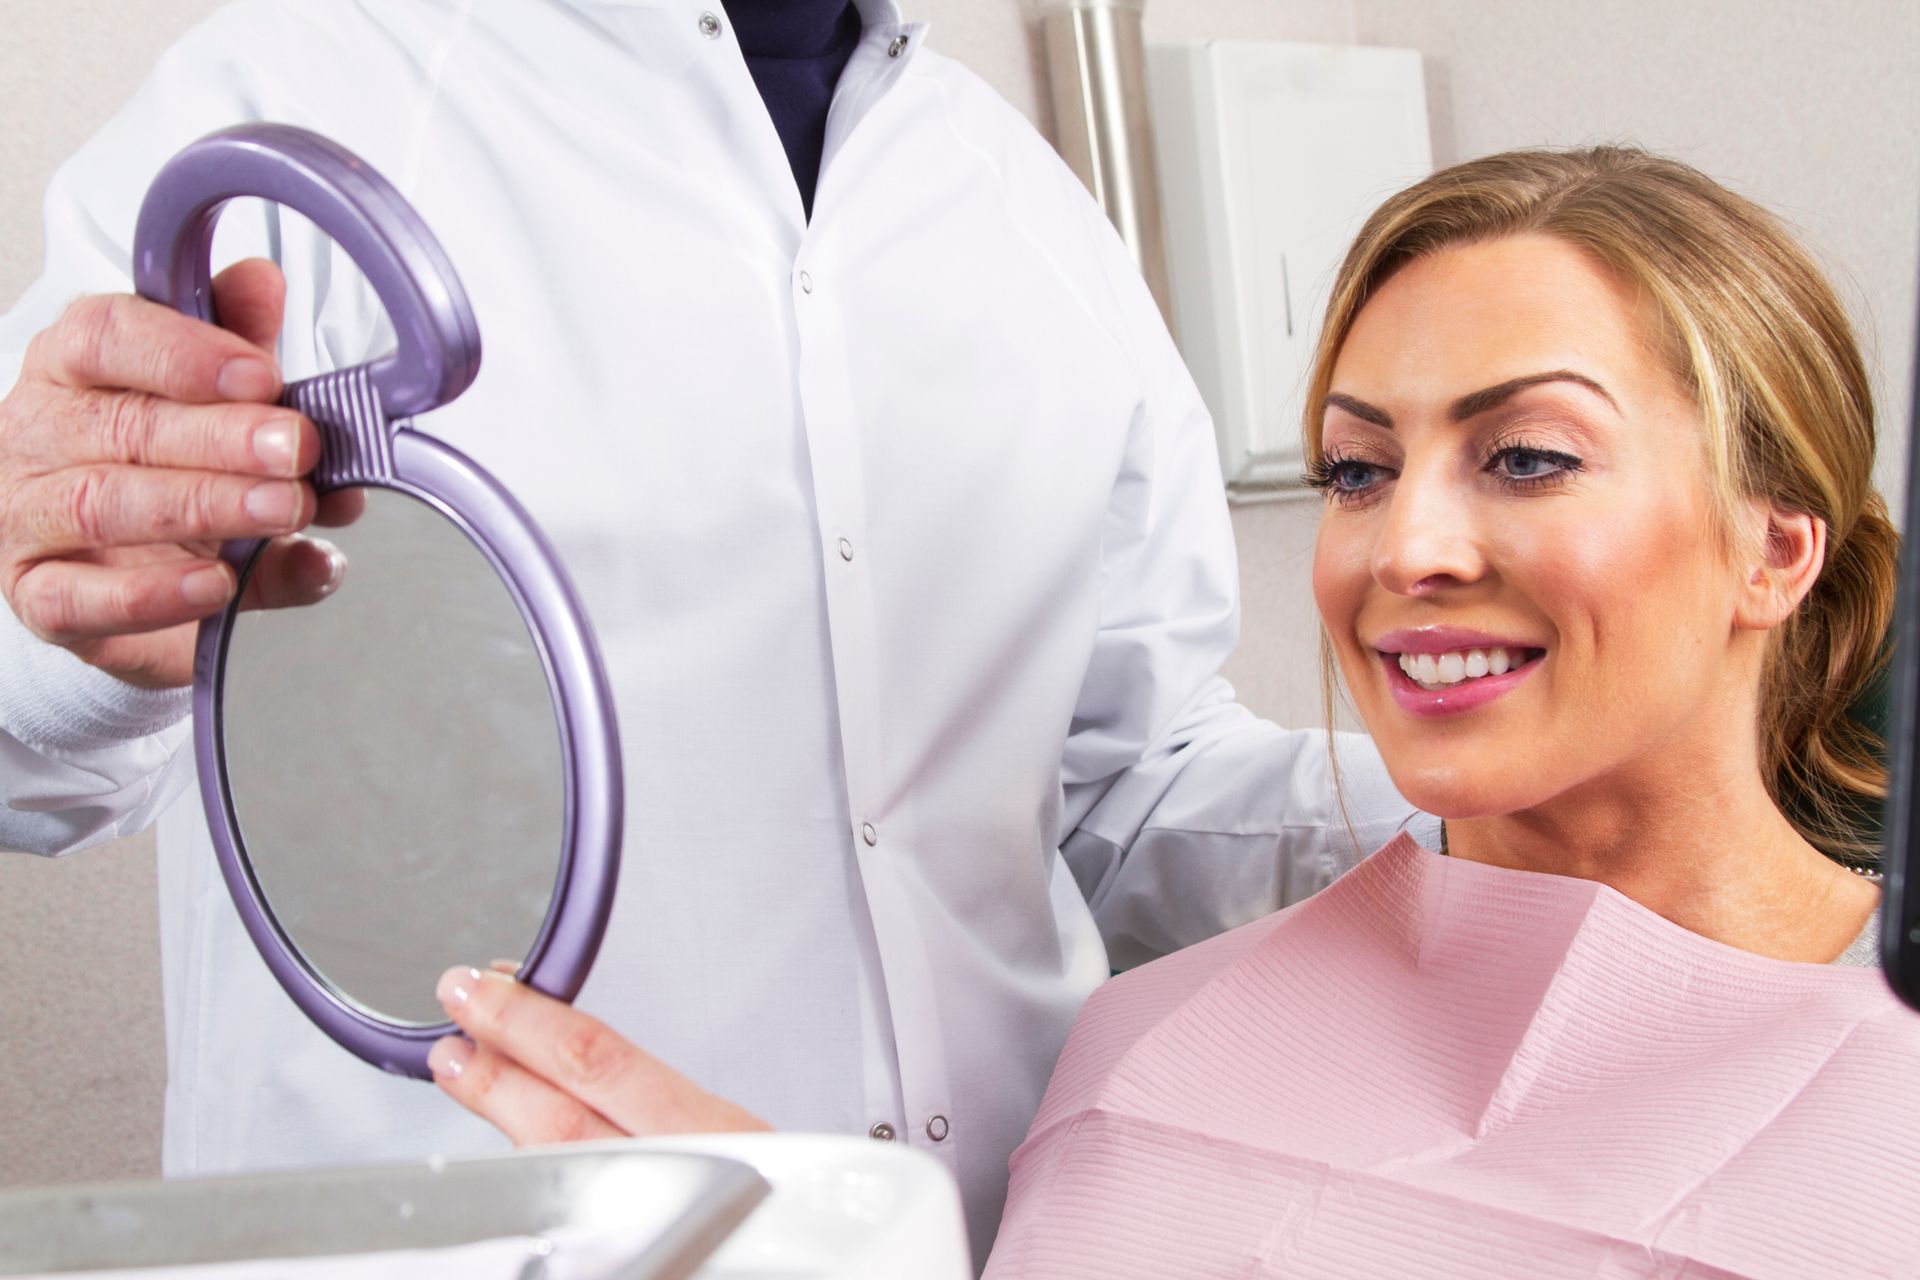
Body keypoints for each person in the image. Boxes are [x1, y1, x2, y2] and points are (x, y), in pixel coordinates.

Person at [0, 0, 1423, 1262]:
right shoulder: (291, 96)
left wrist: (1498, 806)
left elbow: (1122, 792)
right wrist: (82, 616)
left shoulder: (1025, 208)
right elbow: (26, 757)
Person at [981, 147, 1920, 1277]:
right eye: (1357, 471)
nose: (1404, 549)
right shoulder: (1145, 1050)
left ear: (1775, 550)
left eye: (1527, 458)